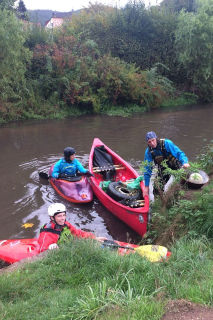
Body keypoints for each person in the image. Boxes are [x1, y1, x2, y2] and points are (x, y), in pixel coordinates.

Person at [38, 203, 103, 252]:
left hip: (68, 247)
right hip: (60, 253)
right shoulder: (47, 233)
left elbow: (78, 233)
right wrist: (50, 248)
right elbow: (42, 250)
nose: (63, 218)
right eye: (59, 216)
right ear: (52, 217)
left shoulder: (65, 224)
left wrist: (94, 237)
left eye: (64, 215)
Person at [143, 131, 190, 196]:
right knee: (157, 189)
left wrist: (185, 162)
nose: (152, 143)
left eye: (153, 140)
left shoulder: (167, 143)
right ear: (147, 143)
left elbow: (179, 153)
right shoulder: (148, 152)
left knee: (172, 186)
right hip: (163, 168)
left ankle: (178, 196)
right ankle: (159, 203)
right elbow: (147, 169)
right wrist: (146, 187)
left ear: (156, 138)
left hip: (175, 166)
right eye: (149, 142)